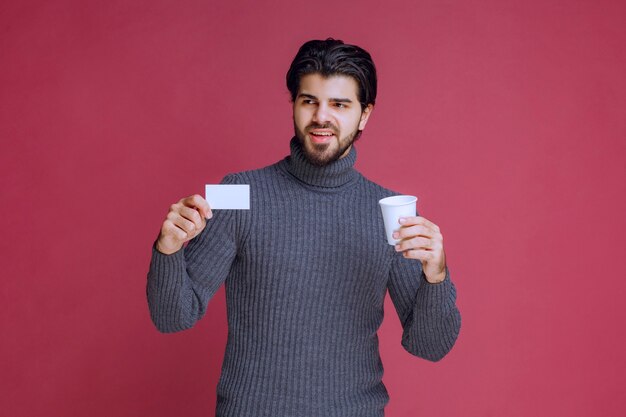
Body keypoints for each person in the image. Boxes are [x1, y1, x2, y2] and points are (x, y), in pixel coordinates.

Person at [147, 38, 461, 417]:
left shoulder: (387, 211)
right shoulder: (239, 194)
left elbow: (430, 346)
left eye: (339, 104)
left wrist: (436, 274)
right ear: (294, 104)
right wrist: (168, 249)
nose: (321, 117)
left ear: (364, 115)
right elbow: (172, 317)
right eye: (309, 100)